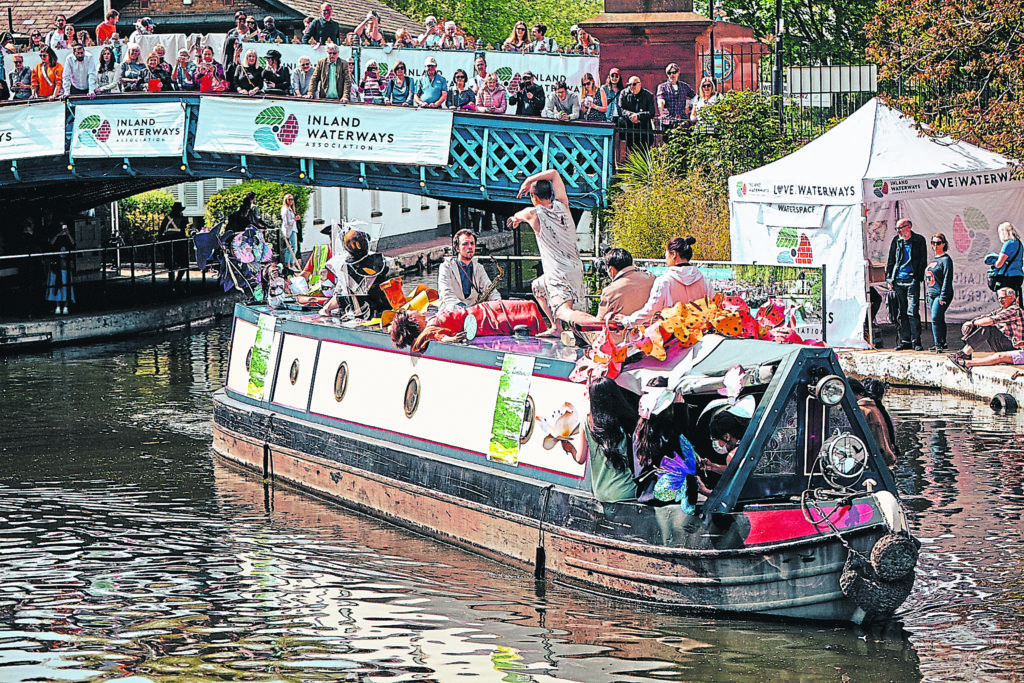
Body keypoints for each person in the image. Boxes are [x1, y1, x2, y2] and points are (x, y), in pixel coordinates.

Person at [508, 169, 589, 336]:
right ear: (551, 194)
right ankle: (556, 327)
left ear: (534, 198)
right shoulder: (563, 205)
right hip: (574, 267)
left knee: (564, 312)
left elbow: (518, 215)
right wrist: (530, 179)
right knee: (537, 286)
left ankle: (595, 325)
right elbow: (554, 173)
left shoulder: (534, 214)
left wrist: (515, 219)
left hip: (557, 273)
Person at [617, 237, 711, 327]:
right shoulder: (704, 280)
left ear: (674, 254)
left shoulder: (664, 281)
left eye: (666, 254)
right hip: (700, 335)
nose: (665, 258)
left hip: (672, 337)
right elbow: (714, 305)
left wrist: (626, 321)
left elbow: (650, 311)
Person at [580, 378, 639, 503]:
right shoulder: (625, 420)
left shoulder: (586, 422)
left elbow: (580, 458)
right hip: (627, 492)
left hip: (600, 493)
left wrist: (567, 447)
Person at [949, 287, 1024, 373]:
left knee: (988, 326)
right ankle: (965, 353)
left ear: (1012, 297)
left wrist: (972, 322)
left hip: (1016, 347)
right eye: (999, 298)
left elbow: (991, 320)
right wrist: (970, 322)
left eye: (1003, 298)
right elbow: (986, 317)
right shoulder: (1002, 310)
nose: (1000, 301)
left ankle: (965, 355)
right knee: (981, 322)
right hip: (1007, 345)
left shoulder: (1014, 310)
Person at [885, 217, 928, 351]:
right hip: (898, 280)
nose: (898, 231)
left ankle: (916, 340)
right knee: (901, 312)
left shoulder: (919, 240)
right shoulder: (896, 241)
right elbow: (891, 260)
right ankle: (905, 340)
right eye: (897, 229)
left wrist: (917, 277)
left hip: (911, 280)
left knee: (912, 311)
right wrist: (889, 279)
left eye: (900, 228)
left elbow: (922, 260)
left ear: (908, 227)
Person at [437, 229, 499, 311]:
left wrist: (497, 302)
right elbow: (446, 294)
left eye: (472, 244)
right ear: (457, 248)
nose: (470, 247)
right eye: (465, 244)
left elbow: (491, 290)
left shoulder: (479, 267)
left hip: (472, 312)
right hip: (451, 311)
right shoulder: (446, 267)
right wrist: (463, 308)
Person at [849, 378, 898, 468]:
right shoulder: (877, 410)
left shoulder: (864, 411)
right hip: (887, 460)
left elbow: (879, 445)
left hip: (880, 464)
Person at [925, 232, 954, 352]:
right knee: (939, 318)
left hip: (940, 293)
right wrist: (927, 294)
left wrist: (943, 295)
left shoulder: (946, 260)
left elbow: (947, 278)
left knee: (935, 318)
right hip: (932, 293)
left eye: (938, 243)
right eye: (933, 243)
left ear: (943, 244)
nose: (935, 245)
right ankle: (942, 342)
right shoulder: (933, 259)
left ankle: (938, 344)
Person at [990, 221, 1023, 304]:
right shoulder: (1019, 243)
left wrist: (994, 263)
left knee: (1007, 302)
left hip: (1008, 276)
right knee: (1016, 301)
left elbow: (999, 264)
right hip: (1018, 275)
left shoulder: (1008, 244)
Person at [619, 76, 656, 150]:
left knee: (645, 153)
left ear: (640, 84)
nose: (632, 87)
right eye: (629, 84)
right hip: (629, 129)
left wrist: (638, 116)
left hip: (644, 130)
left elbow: (652, 112)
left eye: (634, 84)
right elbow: (620, 109)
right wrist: (631, 115)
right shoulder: (624, 93)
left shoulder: (648, 95)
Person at [46, 221, 76, 316]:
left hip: (65, 266)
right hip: (56, 266)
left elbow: (73, 244)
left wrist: (68, 234)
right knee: (56, 285)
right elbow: (50, 245)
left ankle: (66, 306)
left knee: (67, 285)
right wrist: (58, 234)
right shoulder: (55, 235)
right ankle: (57, 306)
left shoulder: (68, 237)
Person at [159, 202, 189, 292]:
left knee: (170, 265)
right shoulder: (182, 219)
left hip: (168, 242)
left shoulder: (166, 218)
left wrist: (161, 242)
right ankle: (177, 281)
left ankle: (171, 282)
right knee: (184, 263)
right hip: (178, 242)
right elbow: (183, 231)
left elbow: (161, 231)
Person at [657, 63, 696, 129]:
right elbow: (661, 100)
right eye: (669, 73)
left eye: (674, 72)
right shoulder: (662, 87)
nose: (672, 75)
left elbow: (695, 97)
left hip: (681, 120)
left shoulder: (684, 86)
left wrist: (690, 107)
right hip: (667, 120)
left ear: (678, 73)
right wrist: (661, 113)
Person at [280, 194, 300, 268]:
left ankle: (291, 263)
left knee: (293, 247)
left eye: (292, 199)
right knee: (292, 247)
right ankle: (289, 263)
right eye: (289, 199)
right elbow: (287, 222)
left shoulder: (290, 209)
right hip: (290, 230)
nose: (291, 201)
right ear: (286, 200)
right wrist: (295, 219)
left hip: (293, 229)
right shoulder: (285, 210)